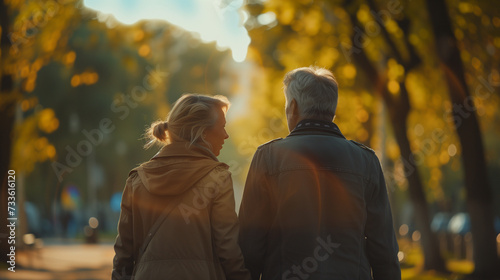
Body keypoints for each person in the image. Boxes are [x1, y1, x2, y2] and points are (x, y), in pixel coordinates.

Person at [238, 67, 401, 280]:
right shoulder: (366, 161)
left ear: (293, 107)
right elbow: (384, 249)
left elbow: (250, 244)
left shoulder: (268, 157)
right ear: (331, 109)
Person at [112, 94, 251, 280]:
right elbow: (227, 249)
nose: (226, 135)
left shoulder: (137, 180)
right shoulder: (217, 177)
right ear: (202, 132)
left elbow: (123, 255)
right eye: (223, 127)